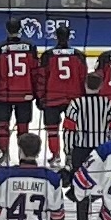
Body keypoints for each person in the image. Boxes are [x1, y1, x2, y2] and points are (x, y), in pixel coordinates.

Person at [62, 74, 111, 220]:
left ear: (85, 84)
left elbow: (69, 130)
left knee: (81, 185)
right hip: (102, 152)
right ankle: (107, 218)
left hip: (80, 150)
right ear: (101, 86)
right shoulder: (108, 104)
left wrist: (68, 151)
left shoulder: (75, 104)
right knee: (106, 184)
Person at [0, 19, 39, 164]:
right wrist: (35, 92)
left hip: (3, 93)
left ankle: (4, 154)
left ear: (6, 29)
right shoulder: (30, 47)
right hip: (25, 93)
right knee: (23, 127)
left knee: (3, 125)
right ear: (20, 29)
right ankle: (24, 155)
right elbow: (35, 71)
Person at [37, 24, 85, 168]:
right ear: (69, 37)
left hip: (52, 97)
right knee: (72, 129)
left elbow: (41, 78)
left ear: (55, 37)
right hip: (74, 98)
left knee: (52, 129)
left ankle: (55, 156)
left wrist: (40, 96)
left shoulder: (48, 55)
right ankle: (70, 155)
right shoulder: (78, 55)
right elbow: (83, 78)